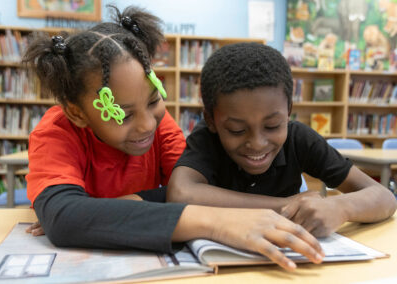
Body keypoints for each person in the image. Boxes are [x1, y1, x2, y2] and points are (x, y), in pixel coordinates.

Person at [22, 5, 324, 271]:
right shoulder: (56, 133)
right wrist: (214, 221)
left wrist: (92, 216)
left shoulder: (159, 123)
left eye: (154, 101)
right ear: (77, 113)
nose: (146, 125)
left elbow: (191, 191)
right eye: (123, 115)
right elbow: (66, 219)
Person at [167, 42, 397, 237]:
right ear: (211, 120)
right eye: (237, 130)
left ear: (288, 111)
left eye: (272, 126)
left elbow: (384, 197)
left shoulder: (299, 139)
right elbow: (181, 194)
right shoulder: (207, 138)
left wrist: (341, 207)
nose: (257, 143)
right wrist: (286, 206)